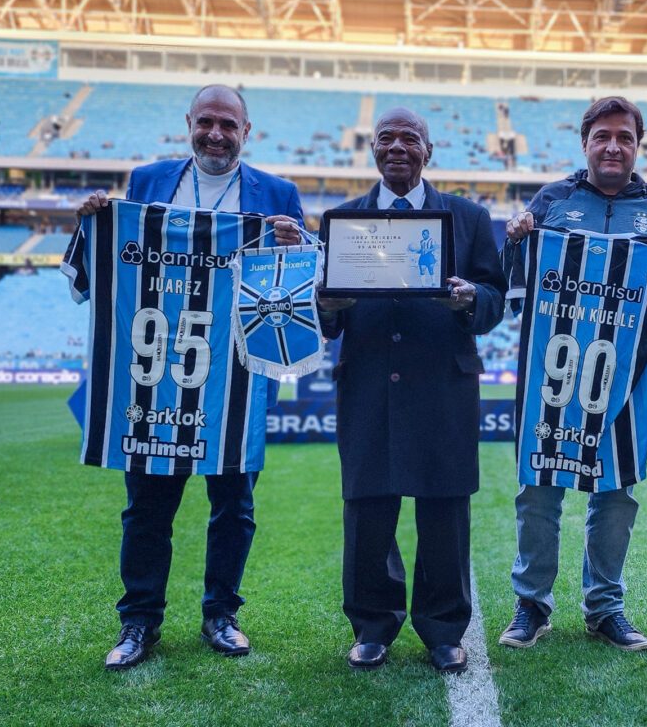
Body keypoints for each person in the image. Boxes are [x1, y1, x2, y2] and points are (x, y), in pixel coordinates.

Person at [75, 84, 304, 671]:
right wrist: (96, 222)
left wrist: (296, 246)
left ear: (246, 133)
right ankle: (139, 622)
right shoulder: (147, 181)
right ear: (189, 123)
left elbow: (301, 288)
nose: (216, 134)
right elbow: (114, 261)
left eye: (229, 124)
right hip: (154, 375)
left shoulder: (278, 194)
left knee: (234, 506)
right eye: (207, 122)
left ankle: (221, 614)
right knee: (146, 507)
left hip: (233, 380)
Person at [318, 107, 506, 674]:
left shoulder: (468, 217)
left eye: (409, 138)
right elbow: (323, 312)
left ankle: (444, 629)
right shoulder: (342, 219)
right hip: (369, 384)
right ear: (372, 150)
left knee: (444, 513)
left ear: (429, 150)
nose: (397, 146)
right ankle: (372, 627)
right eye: (386, 138)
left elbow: (496, 293)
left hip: (443, 387)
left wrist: (471, 298)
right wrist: (327, 306)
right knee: (368, 512)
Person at [499, 96, 647, 651]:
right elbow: (515, 295)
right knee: (539, 488)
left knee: (617, 494)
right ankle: (532, 604)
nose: (613, 146)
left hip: (625, 378)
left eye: (624, 137)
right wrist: (515, 239)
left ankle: (605, 607)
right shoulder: (553, 200)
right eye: (603, 135)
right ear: (586, 143)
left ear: (637, 146)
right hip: (553, 373)